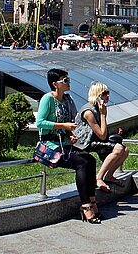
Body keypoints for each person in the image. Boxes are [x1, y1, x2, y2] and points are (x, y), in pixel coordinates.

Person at [35, 69, 101, 223]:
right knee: (82, 163)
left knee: (90, 160)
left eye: (68, 79)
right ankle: (86, 206)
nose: (68, 82)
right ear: (54, 84)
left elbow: (71, 122)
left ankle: (92, 201)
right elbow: (40, 123)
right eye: (64, 80)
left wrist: (69, 133)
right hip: (50, 145)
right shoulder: (48, 99)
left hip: (64, 143)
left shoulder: (67, 100)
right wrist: (62, 125)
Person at [80, 82, 129, 192]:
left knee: (125, 150)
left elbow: (102, 132)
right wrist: (103, 115)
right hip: (84, 142)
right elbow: (102, 135)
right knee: (118, 148)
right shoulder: (89, 111)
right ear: (97, 95)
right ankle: (99, 178)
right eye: (104, 94)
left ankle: (109, 176)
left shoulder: (99, 108)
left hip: (94, 139)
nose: (107, 96)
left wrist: (113, 132)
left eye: (108, 93)